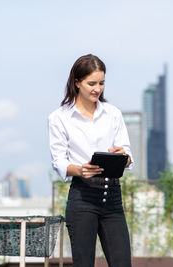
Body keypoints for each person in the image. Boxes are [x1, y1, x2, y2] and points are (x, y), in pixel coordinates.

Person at [48, 54, 133, 267]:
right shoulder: (59, 118)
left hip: (112, 197)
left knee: (122, 263)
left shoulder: (113, 114)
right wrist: (79, 169)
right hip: (82, 197)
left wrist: (123, 156)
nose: (97, 89)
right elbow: (58, 160)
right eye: (91, 83)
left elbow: (129, 155)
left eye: (101, 83)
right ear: (77, 83)